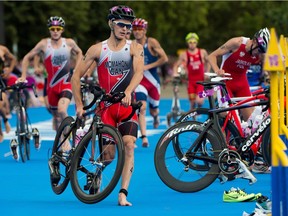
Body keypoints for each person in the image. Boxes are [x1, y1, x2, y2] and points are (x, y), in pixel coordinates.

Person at [71, 5, 144, 206]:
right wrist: (78, 104)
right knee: (109, 156)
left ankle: (122, 194)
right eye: (121, 25)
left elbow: (139, 72)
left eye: (129, 26)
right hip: (106, 109)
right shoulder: (97, 49)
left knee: (129, 146)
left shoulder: (135, 48)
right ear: (111, 23)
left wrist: (128, 91)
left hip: (127, 106)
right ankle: (96, 173)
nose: (126, 29)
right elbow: (76, 76)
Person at [208, 28, 270, 173]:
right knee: (226, 117)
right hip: (226, 82)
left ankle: (254, 157)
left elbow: (269, 67)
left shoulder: (261, 53)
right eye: (258, 50)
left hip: (241, 83)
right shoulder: (236, 43)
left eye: (262, 51)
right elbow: (212, 56)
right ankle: (221, 153)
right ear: (254, 41)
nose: (258, 54)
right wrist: (217, 70)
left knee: (254, 122)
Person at [17, 16, 82, 155]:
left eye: (58, 29)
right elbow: (28, 57)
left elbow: (80, 52)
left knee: (62, 109)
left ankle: (66, 141)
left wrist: (77, 69)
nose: (55, 31)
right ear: (50, 30)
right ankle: (63, 136)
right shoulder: (43, 44)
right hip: (51, 86)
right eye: (53, 29)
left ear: (62, 30)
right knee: (56, 115)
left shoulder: (69, 43)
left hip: (66, 83)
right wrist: (23, 75)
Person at [132, 18, 168, 147]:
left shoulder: (151, 42)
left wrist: (147, 66)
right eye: (134, 29)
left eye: (139, 29)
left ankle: (155, 117)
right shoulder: (132, 45)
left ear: (145, 30)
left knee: (154, 111)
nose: (136, 32)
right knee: (141, 107)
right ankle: (144, 137)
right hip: (140, 82)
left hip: (153, 82)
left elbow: (164, 58)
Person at [173, 32, 210, 113]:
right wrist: (175, 74)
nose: (192, 44)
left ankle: (200, 105)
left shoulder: (202, 52)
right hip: (190, 82)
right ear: (187, 43)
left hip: (201, 82)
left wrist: (207, 72)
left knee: (199, 101)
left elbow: (208, 62)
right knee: (192, 104)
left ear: (197, 42)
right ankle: (193, 119)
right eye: (190, 42)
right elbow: (176, 65)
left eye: (194, 42)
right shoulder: (184, 54)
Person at [0, 45, 16, 142]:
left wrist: (9, 70)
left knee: (0, 104)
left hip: (1, 79)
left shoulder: (3, 49)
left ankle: (5, 121)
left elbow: (13, 59)